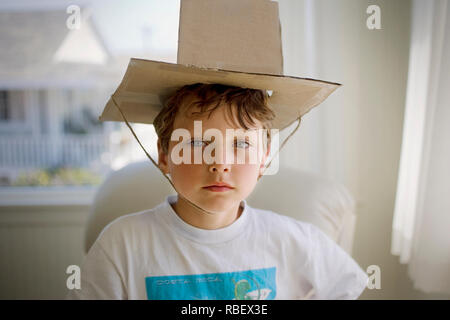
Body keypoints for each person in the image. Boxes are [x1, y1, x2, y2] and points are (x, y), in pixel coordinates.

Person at [66, 83, 368, 300]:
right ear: (164, 155)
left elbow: (348, 285)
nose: (220, 163)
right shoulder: (122, 244)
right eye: (197, 143)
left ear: (263, 158)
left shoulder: (296, 240)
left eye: (241, 145)